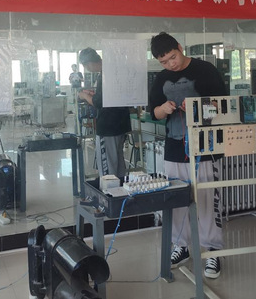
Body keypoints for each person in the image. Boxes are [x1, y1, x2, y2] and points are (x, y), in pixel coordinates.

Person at [148, 32, 227, 278]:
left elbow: (224, 106)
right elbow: (153, 113)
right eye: (164, 62)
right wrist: (162, 109)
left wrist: (197, 109)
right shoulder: (161, 78)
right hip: (174, 147)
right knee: (176, 198)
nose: (170, 64)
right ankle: (181, 245)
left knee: (206, 199)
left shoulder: (205, 70)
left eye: (172, 57)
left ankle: (213, 250)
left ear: (180, 48)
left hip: (206, 147)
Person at [78, 48, 131, 178]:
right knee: (118, 163)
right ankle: (120, 188)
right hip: (121, 123)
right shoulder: (116, 70)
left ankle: (110, 190)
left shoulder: (105, 74)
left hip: (108, 126)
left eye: (85, 66)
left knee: (108, 168)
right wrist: (95, 95)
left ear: (88, 63)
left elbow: (98, 102)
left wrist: (84, 96)